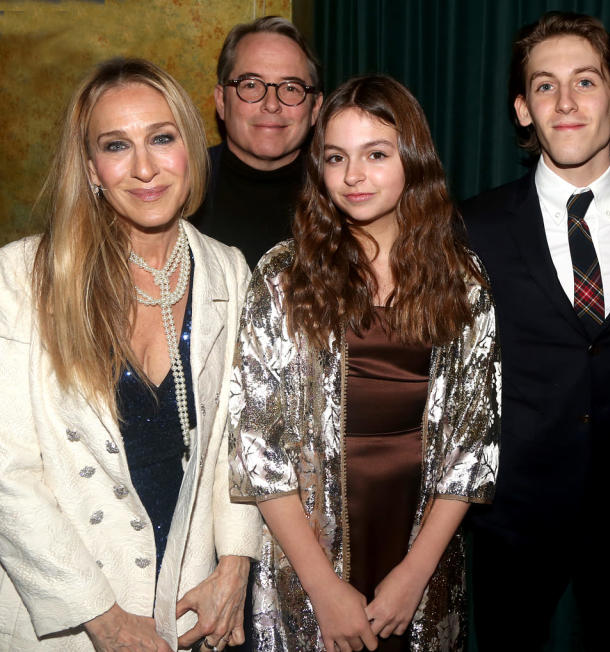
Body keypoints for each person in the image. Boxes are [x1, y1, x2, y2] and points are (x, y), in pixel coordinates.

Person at [228, 74, 500, 652]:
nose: (353, 176)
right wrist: (323, 589)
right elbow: (260, 449)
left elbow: (473, 446)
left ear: (413, 160)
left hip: (420, 546)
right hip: (308, 555)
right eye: (336, 157)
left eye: (376, 154)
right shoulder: (283, 278)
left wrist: (415, 573)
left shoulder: (463, 281)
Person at [0, 58, 262, 651]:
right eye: (117, 146)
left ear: (190, 148)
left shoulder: (228, 270)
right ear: (91, 167)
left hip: (194, 604)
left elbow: (239, 438)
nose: (145, 168)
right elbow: (6, 471)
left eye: (162, 139)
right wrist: (105, 621)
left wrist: (235, 563)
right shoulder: (21, 276)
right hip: (67, 618)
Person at [461, 11, 610, 650]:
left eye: (586, 82)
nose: (565, 102)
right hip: (510, 515)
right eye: (544, 85)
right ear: (522, 109)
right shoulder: (476, 225)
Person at [193, 15, 323, 270]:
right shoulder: (178, 191)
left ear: (315, 108)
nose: (272, 104)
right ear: (221, 101)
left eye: (291, 87)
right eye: (251, 85)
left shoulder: (345, 198)